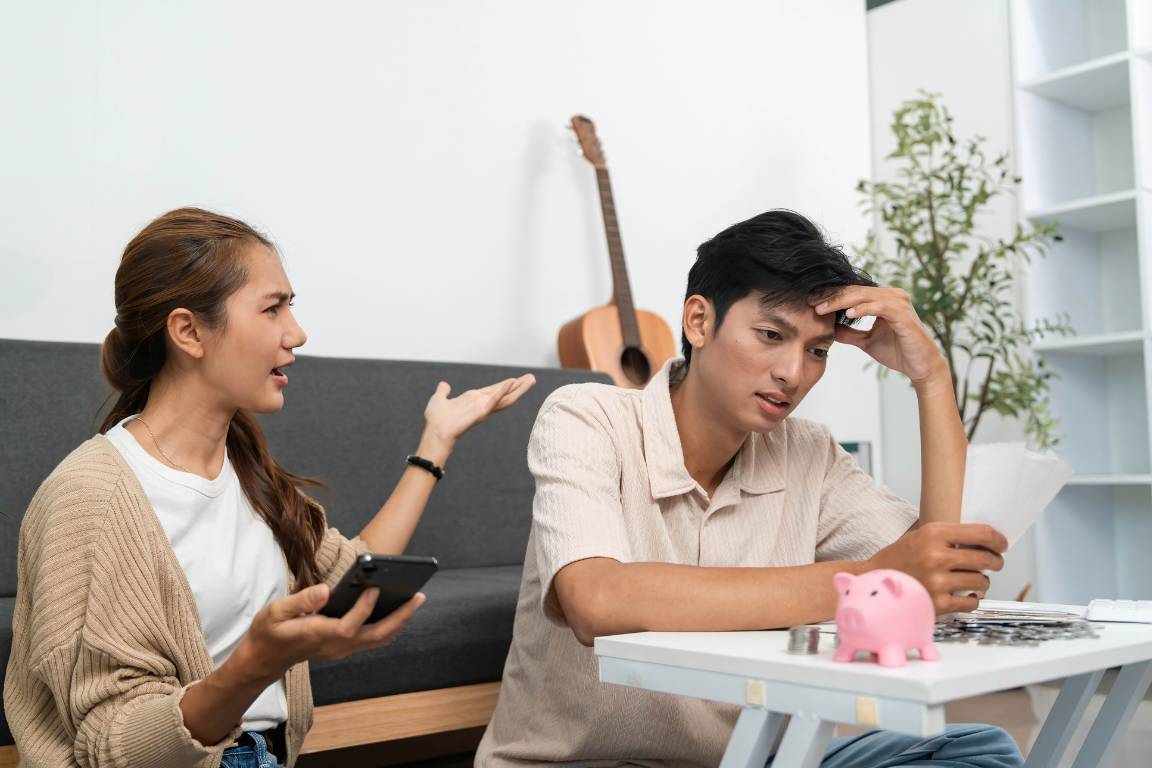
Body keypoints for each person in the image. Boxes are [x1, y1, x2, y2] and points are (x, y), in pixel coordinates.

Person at [477, 210, 1022, 767]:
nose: (793, 372)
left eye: (817, 350)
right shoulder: (587, 417)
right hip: (585, 763)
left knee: (977, 751)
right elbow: (597, 598)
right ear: (698, 322)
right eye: (770, 335)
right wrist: (871, 578)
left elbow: (939, 574)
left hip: (755, 758)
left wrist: (931, 378)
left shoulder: (808, 452)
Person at [3, 207, 535, 768]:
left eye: (291, 306)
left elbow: (347, 569)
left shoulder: (245, 470)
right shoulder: (91, 498)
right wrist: (253, 665)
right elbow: (112, 747)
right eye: (272, 308)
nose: (297, 333)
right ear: (188, 331)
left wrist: (436, 443)